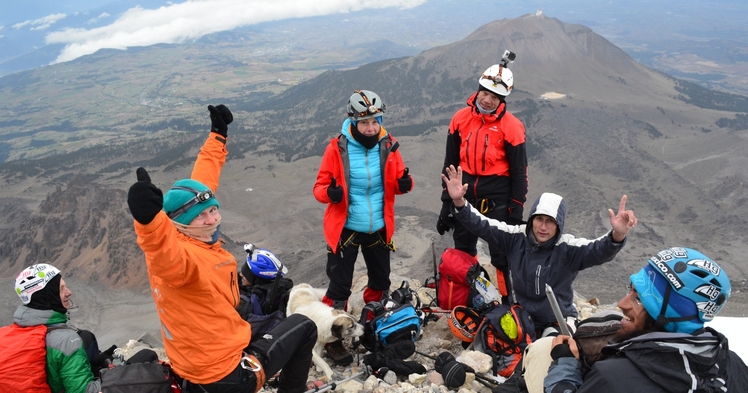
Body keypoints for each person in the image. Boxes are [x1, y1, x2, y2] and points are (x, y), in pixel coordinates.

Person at [127, 105, 317, 393]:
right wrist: (147, 222)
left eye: (214, 210)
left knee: (260, 319)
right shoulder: (181, 258)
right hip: (224, 377)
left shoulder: (187, 235)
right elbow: (161, 253)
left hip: (194, 366)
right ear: (178, 223)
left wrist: (217, 137)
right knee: (303, 327)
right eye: (202, 216)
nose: (212, 219)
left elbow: (203, 183)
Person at [442, 165, 637, 337]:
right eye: (539, 219)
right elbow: (482, 225)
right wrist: (460, 203)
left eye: (550, 221)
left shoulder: (568, 249)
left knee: (553, 351)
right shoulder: (515, 237)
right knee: (490, 336)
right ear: (532, 219)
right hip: (520, 315)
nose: (543, 227)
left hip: (556, 320)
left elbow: (598, 250)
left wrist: (617, 235)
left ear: (559, 224)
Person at [543, 247, 748, 392]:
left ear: (672, 313)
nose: (622, 304)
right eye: (630, 291)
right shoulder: (735, 366)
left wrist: (565, 368)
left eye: (639, 298)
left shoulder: (614, 377)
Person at [313, 89, 414, 364]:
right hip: (346, 228)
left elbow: (398, 180)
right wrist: (329, 194)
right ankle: (331, 339)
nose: (370, 128)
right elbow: (319, 187)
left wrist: (405, 185)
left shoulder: (388, 144)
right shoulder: (337, 148)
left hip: (379, 227)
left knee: (380, 283)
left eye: (375, 121)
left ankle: (372, 325)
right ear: (353, 122)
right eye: (364, 122)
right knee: (339, 288)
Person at [437, 51, 528, 304]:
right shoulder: (460, 119)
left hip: (497, 194)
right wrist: (446, 204)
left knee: (501, 254)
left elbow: (520, 172)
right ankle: (471, 298)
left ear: (503, 99)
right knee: (464, 247)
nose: (487, 100)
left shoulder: (512, 127)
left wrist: (515, 211)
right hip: (464, 192)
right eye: (484, 93)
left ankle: (508, 302)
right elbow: (450, 164)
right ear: (477, 91)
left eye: (495, 97)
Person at [12, 263, 102, 393]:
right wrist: (117, 376)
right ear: (46, 295)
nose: (69, 292)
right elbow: (83, 391)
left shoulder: (16, 331)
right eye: (61, 289)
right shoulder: (66, 340)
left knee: (85, 337)